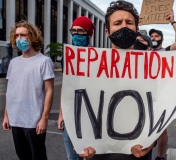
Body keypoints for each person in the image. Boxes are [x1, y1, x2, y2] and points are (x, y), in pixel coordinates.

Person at [78, 1, 156, 160]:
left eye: (129, 22)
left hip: (138, 152)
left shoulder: (152, 68)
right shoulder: (89, 68)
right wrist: (79, 141)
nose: (123, 27)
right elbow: (80, 108)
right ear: (107, 31)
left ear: (136, 29)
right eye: (117, 23)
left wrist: (151, 142)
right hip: (98, 152)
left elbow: (160, 108)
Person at [2, 20, 55, 160]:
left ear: (32, 37)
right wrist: (6, 116)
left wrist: (44, 118)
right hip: (16, 119)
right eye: (17, 35)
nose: (20, 39)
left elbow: (49, 91)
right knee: (22, 156)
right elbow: (10, 91)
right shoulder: (13, 63)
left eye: (23, 35)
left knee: (38, 156)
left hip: (34, 120)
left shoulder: (43, 61)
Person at [149, 12, 176, 160]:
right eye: (151, 36)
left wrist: (173, 22)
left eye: (156, 36)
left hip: (161, 95)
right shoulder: (142, 53)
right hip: (145, 95)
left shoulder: (167, 52)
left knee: (161, 128)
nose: (153, 38)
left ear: (162, 39)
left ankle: (160, 156)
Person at [57, 16, 95, 160]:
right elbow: (66, 86)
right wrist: (61, 113)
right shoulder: (67, 57)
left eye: (81, 31)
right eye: (74, 31)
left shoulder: (99, 57)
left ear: (89, 34)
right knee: (72, 157)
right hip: (70, 115)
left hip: (90, 117)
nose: (76, 34)